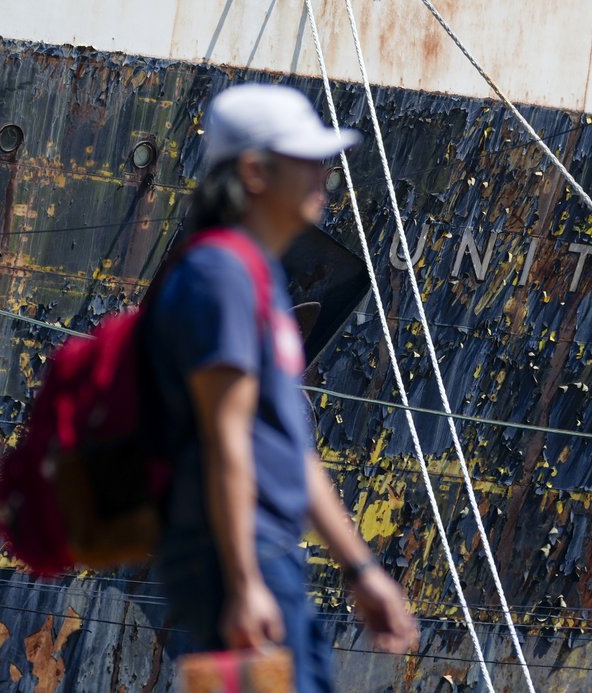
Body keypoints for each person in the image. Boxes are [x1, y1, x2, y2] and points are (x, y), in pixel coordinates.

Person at [149, 83, 417, 691]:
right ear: (255, 172)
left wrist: (361, 568)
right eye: (307, 159)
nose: (324, 174)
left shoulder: (257, 278)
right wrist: (243, 583)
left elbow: (290, 449)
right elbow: (226, 438)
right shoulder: (219, 276)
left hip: (268, 553)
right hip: (242, 557)